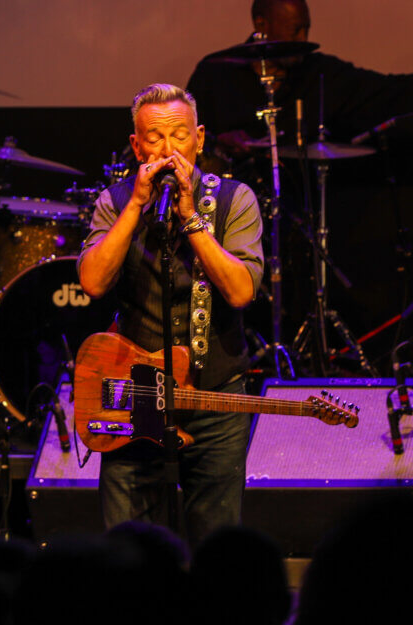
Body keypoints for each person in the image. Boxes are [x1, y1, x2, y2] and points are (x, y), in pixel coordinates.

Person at [77, 83, 264, 545]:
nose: (168, 149)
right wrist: (137, 205)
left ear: (199, 139)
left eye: (179, 135)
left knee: (216, 543)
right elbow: (93, 282)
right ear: (137, 145)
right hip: (137, 392)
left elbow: (241, 292)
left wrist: (191, 220)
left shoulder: (235, 199)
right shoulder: (115, 201)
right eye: (154, 139)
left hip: (216, 392)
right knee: (131, 547)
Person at [187, 0, 413, 156]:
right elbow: (180, 142)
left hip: (298, 216)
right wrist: (215, 143)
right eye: (295, 30)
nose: (304, 40)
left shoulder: (320, 75)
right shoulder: (216, 73)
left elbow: (397, 90)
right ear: (262, 24)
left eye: (307, 29)